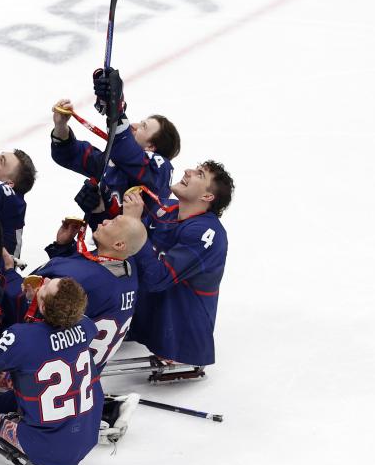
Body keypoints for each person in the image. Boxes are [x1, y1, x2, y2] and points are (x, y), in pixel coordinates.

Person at [0, 277, 102, 465]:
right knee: (15, 395)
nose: (46, 281)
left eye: (44, 288)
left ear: (42, 306)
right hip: (87, 434)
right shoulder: (86, 326)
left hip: (46, 447)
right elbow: (50, 337)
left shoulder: (22, 338)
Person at [127, 161, 233, 370]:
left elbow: (156, 279)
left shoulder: (206, 233)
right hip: (150, 318)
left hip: (180, 337)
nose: (188, 171)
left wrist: (134, 226)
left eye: (199, 174)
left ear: (207, 197)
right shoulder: (169, 209)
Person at [50, 65, 180, 226]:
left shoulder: (160, 170)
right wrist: (61, 126)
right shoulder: (115, 161)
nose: (134, 125)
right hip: (112, 246)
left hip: (134, 249)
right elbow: (70, 155)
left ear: (151, 147)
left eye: (143, 127)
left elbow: (129, 153)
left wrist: (116, 110)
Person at [33, 213, 148, 371]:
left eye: (113, 222)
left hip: (53, 367)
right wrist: (64, 247)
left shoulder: (86, 278)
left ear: (119, 245)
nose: (105, 220)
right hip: (84, 369)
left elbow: (31, 304)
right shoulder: (126, 265)